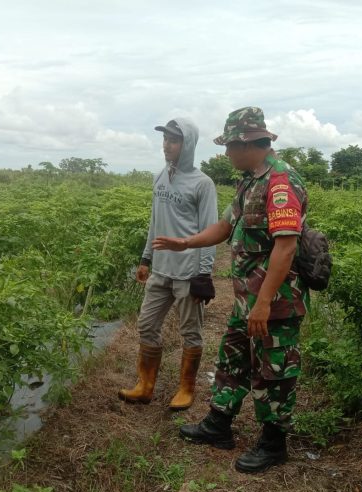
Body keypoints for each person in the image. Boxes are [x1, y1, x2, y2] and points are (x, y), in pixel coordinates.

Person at [152, 107, 309, 473]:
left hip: (273, 303)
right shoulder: (250, 180)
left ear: (246, 144)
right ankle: (218, 424)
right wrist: (186, 242)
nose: (225, 154)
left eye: (228, 147)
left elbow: (286, 247)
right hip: (246, 299)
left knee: (274, 370)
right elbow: (225, 226)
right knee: (233, 357)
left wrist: (264, 303)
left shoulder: (280, 182)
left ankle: (274, 443)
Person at [118, 117, 218, 410]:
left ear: (188, 144)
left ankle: (186, 388)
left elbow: (210, 231)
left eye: (173, 140)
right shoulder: (160, 177)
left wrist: (204, 274)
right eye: (165, 139)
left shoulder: (202, 184)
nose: (166, 145)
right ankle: (145, 385)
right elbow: (155, 221)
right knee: (146, 324)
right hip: (161, 270)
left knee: (191, 332)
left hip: (188, 272)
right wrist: (145, 257)